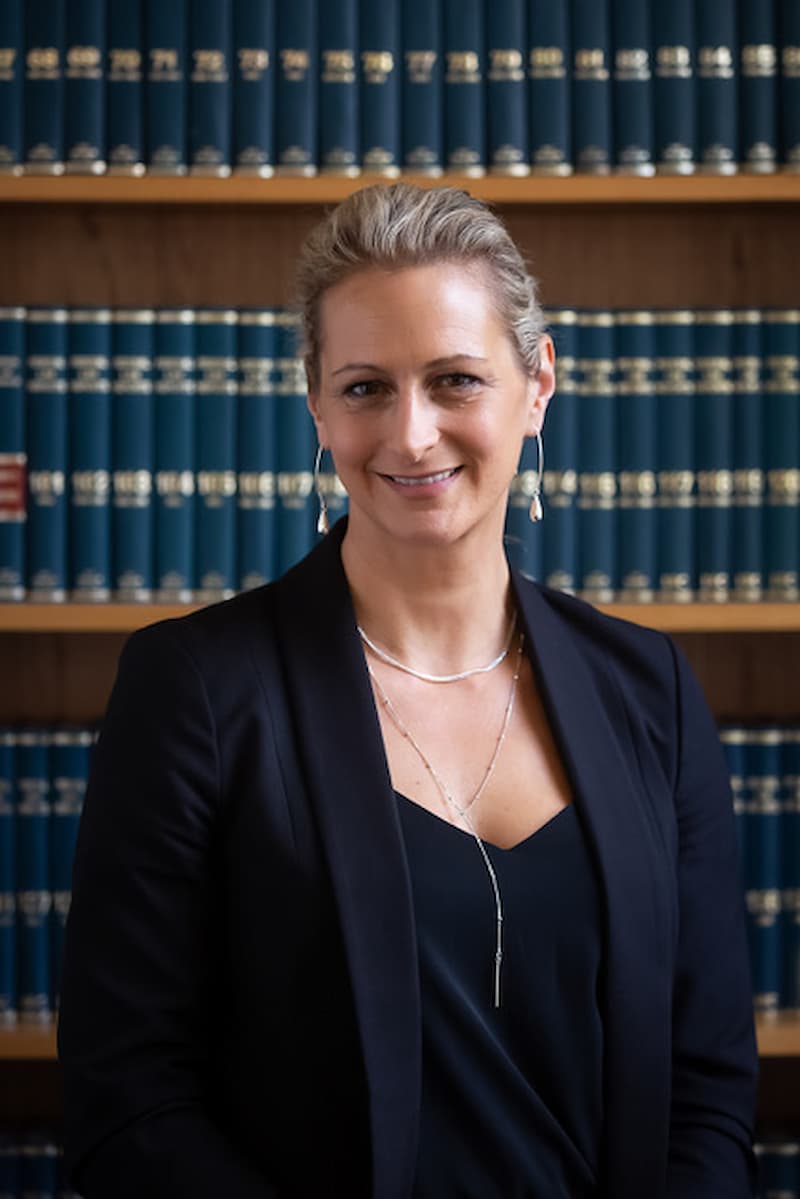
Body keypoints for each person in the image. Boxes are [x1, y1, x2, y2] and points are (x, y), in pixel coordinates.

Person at [58, 182, 758, 1198]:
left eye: (454, 379)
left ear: (537, 384)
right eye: (364, 387)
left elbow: (704, 1091)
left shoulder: (646, 687)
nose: (412, 434)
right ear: (315, 402)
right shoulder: (196, 690)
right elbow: (126, 1103)